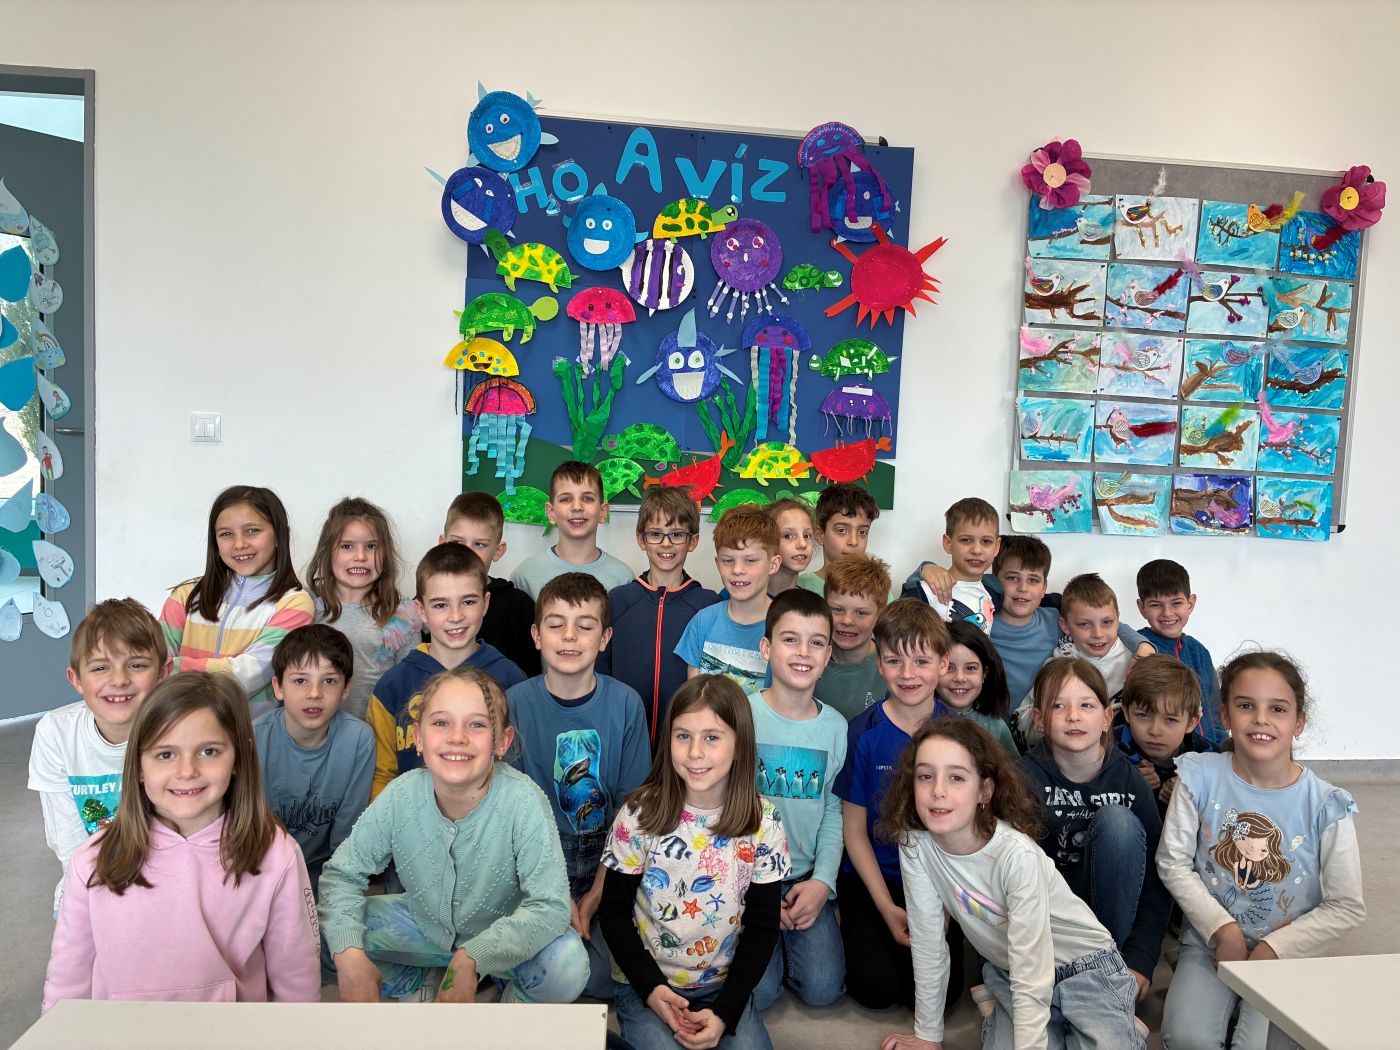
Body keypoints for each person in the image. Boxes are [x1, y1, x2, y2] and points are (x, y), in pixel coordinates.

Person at [42, 672, 321, 1010]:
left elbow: (296, 977)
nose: (187, 771)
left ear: (239, 756)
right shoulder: (92, 861)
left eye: (208, 751)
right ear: (138, 765)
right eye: (165, 755)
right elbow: (67, 980)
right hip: (118, 1033)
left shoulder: (276, 854)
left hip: (233, 1033)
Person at [320, 666, 588, 1003]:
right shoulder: (401, 795)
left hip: (507, 939)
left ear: (502, 742)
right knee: (335, 934)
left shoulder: (523, 800)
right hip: (423, 928)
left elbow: (551, 905)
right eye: (441, 723)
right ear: (418, 737)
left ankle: (504, 1009)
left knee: (568, 964)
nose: (457, 737)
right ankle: (421, 987)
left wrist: (473, 957)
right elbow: (341, 875)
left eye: (476, 724)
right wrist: (349, 956)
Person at [878, 718, 1145, 1050]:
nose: (938, 791)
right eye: (925, 776)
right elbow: (928, 942)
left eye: (956, 777)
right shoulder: (915, 843)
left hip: (1086, 970)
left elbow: (1031, 969)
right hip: (1010, 971)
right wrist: (927, 1035)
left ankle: (1117, 1018)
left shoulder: (1016, 856)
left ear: (985, 791)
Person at [1157, 651, 1365, 1050]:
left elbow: (1346, 906)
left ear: (1299, 722)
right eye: (1246, 705)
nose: (1261, 719)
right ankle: (1207, 987)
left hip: (1287, 954)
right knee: (1187, 1038)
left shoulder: (1326, 805)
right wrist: (1222, 930)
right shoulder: (1198, 776)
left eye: (1278, 709)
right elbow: (1173, 863)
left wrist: (1274, 948)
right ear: (1224, 713)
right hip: (1210, 941)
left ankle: (1243, 1003)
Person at [599, 675, 790, 1050]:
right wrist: (651, 989)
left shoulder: (764, 822)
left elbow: (763, 928)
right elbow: (613, 913)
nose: (695, 752)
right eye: (683, 736)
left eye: (712, 737)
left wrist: (726, 1011)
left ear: (740, 745)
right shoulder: (639, 814)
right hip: (646, 984)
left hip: (723, 985)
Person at [507, 573, 650, 1000]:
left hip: (608, 856)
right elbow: (510, 813)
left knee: (608, 978)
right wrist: (553, 891)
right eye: (556, 625)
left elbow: (631, 813)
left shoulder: (626, 703)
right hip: (537, 857)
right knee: (552, 966)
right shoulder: (514, 703)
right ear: (537, 635)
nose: (569, 636)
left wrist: (597, 894)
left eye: (584, 626)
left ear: (604, 639)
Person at [1020, 658, 1170, 1007]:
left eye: (1086, 705)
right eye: (1059, 706)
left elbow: (1157, 878)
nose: (1073, 716)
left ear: (1106, 718)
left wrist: (1141, 958)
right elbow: (1006, 873)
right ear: (1039, 719)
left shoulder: (1129, 781)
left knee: (1118, 821)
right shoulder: (1023, 779)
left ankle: (1108, 968)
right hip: (1051, 921)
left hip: (1111, 917)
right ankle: (1065, 971)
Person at [834, 599, 959, 1015]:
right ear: (879, 662)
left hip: (941, 878)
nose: (907, 674)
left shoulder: (960, 735)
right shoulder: (862, 733)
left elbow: (967, 831)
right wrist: (887, 908)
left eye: (921, 661)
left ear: (943, 664)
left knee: (941, 995)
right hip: (875, 876)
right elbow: (854, 830)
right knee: (874, 990)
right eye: (894, 661)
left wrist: (945, 903)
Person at [28, 598, 171, 913]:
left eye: (137, 665)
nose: (119, 680)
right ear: (76, 679)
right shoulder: (55, 732)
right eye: (100, 667)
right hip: (88, 885)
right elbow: (67, 841)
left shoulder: (180, 732)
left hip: (166, 885)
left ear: (164, 672)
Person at [748, 589, 846, 1010]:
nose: (804, 652)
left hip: (805, 876)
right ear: (766, 648)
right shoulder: (742, 715)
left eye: (816, 642)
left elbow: (834, 812)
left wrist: (823, 882)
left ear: (827, 656)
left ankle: (795, 936)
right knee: (759, 993)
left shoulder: (836, 728)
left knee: (822, 990)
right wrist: (756, 894)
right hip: (749, 878)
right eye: (790, 639)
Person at [366, 543, 525, 798]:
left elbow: (518, 769)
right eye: (440, 605)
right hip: (410, 819)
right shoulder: (392, 686)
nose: (455, 616)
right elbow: (382, 776)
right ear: (421, 611)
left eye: (468, 602)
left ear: (485, 603)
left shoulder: (511, 679)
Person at [160, 485, 314, 719]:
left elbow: (247, 676)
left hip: (251, 732)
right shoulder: (186, 595)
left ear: (281, 535)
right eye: (226, 534)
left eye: (252, 530)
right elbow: (155, 665)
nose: (239, 544)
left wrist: (174, 667)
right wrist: (162, 668)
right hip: (182, 725)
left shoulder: (295, 604)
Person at [253, 624, 374, 894]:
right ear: (278, 687)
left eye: (329, 681)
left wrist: (335, 892)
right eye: (300, 681)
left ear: (346, 688)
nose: (314, 693)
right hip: (260, 872)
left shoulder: (358, 740)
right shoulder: (253, 739)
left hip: (323, 873)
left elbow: (346, 838)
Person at [600, 484, 718, 746]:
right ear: (641, 539)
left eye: (677, 534)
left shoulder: (708, 606)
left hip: (685, 743)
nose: (666, 543)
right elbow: (599, 673)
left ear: (693, 541)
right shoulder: (618, 601)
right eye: (655, 534)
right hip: (624, 739)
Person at [304, 497, 421, 720]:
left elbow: (409, 690)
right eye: (347, 546)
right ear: (327, 551)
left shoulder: (403, 616)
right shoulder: (307, 607)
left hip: (378, 735)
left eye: (371, 546)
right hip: (315, 734)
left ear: (385, 553)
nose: (360, 557)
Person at [676, 506, 782, 693]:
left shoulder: (785, 627)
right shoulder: (702, 622)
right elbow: (694, 697)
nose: (737, 570)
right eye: (728, 560)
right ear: (718, 564)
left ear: (773, 565)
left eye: (750, 560)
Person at [442, 490, 540, 677]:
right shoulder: (428, 602)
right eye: (457, 542)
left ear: (498, 551)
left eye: (479, 544)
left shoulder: (519, 606)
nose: (467, 553)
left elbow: (529, 679)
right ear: (442, 543)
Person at [510, 461, 634, 599]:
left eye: (587, 498)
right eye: (566, 499)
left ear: (603, 512)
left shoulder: (623, 578)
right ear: (551, 513)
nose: (577, 507)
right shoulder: (524, 577)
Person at [1135, 559, 1226, 747]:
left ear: (1190, 604)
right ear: (1142, 608)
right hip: (1165, 754)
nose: (1167, 613)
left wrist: (1221, 748)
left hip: (1208, 752)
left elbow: (1215, 712)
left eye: (1176, 603)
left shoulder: (1198, 651)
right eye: (1156, 605)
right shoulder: (1139, 648)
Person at [1116, 654, 1214, 817]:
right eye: (1143, 715)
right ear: (1126, 712)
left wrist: (1189, 797)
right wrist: (1126, 785)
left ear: (1192, 722)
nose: (1155, 731)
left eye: (1170, 719)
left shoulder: (1208, 757)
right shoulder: (1106, 749)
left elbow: (1226, 811)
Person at [905, 497, 998, 632]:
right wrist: (923, 568)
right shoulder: (928, 590)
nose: (977, 550)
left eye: (986, 541)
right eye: (966, 540)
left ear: (996, 547)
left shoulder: (995, 591)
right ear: (948, 544)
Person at [816, 554, 892, 720]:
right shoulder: (808, 659)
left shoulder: (891, 667)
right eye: (838, 610)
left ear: (879, 615)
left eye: (861, 613)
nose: (847, 621)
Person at [934, 620, 1018, 755]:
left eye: (970, 668)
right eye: (949, 668)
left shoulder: (996, 727)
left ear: (984, 674)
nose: (959, 678)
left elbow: (1014, 768)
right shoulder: (920, 719)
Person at [797, 482, 879, 593]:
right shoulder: (798, 588)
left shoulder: (879, 590)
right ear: (820, 535)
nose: (854, 542)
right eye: (842, 530)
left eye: (862, 532)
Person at [766, 497, 816, 595]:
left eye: (806, 536)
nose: (802, 544)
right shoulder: (743, 597)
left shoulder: (812, 601)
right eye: (788, 536)